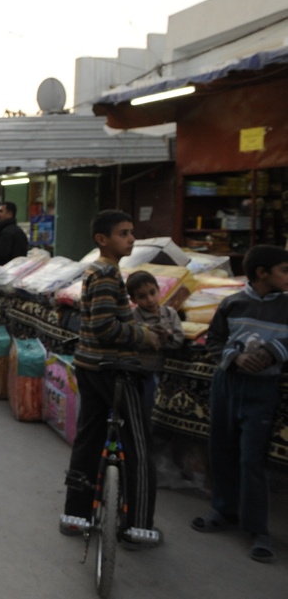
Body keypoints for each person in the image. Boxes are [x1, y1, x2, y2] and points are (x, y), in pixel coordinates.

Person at [60, 209, 164, 548]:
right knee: (138, 447)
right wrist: (143, 335)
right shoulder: (106, 274)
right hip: (113, 371)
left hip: (91, 367)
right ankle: (138, 526)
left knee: (89, 441)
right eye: (124, 233)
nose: (131, 238)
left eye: (132, 232)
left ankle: (76, 515)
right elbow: (106, 327)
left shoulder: (101, 271)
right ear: (102, 240)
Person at [191, 245, 288, 563]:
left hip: (262, 389)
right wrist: (236, 358)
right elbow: (214, 341)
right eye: (284, 270)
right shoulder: (232, 304)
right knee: (222, 449)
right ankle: (223, 509)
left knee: (252, 459)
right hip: (228, 386)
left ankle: (257, 528)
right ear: (262, 274)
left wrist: (274, 350)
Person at [125, 270, 184, 413]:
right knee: (145, 405)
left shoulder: (170, 313)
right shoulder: (134, 317)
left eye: (153, 292)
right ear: (133, 300)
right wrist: (151, 337)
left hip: (164, 370)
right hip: (142, 372)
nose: (150, 300)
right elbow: (134, 340)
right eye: (142, 296)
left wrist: (168, 338)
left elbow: (179, 339)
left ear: (159, 290)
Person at [0, 201, 29, 265]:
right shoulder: (16, 230)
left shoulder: (7, 233)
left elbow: (0, 255)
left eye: (1, 211)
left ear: (10, 214)